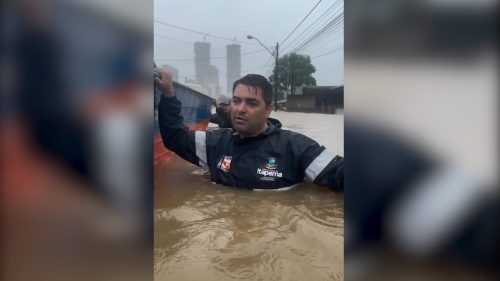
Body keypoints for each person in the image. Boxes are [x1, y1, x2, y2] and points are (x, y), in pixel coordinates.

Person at [154, 67, 343, 191]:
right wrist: (169, 94)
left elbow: (343, 173)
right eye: (236, 101)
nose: (241, 108)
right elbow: (174, 138)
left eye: (251, 103)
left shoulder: (295, 147)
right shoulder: (214, 143)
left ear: (268, 109)